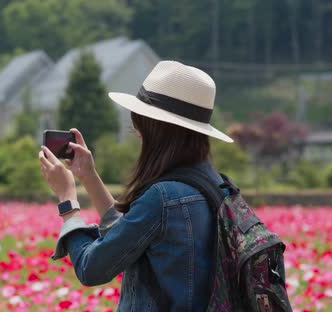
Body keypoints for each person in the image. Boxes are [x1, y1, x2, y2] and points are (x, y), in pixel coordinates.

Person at [38, 61, 234, 311]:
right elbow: (129, 232)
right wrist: (89, 177)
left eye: (139, 125)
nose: (138, 134)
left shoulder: (162, 197)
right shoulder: (220, 187)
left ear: (156, 129)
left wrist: (67, 200)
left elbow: (91, 268)